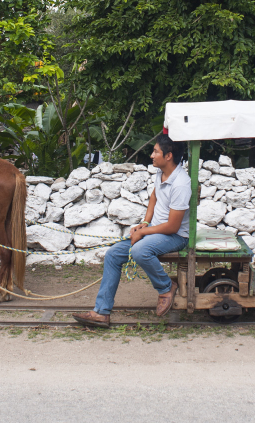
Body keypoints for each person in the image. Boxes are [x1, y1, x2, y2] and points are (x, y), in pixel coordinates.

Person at [73, 134, 191, 328]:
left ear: (168, 156)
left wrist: (143, 233)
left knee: (139, 250)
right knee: (112, 254)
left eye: (155, 152)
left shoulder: (181, 184)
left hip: (175, 236)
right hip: (155, 232)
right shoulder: (161, 173)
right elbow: (154, 196)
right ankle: (101, 312)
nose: (152, 155)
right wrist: (145, 222)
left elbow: (173, 226)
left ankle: (166, 287)